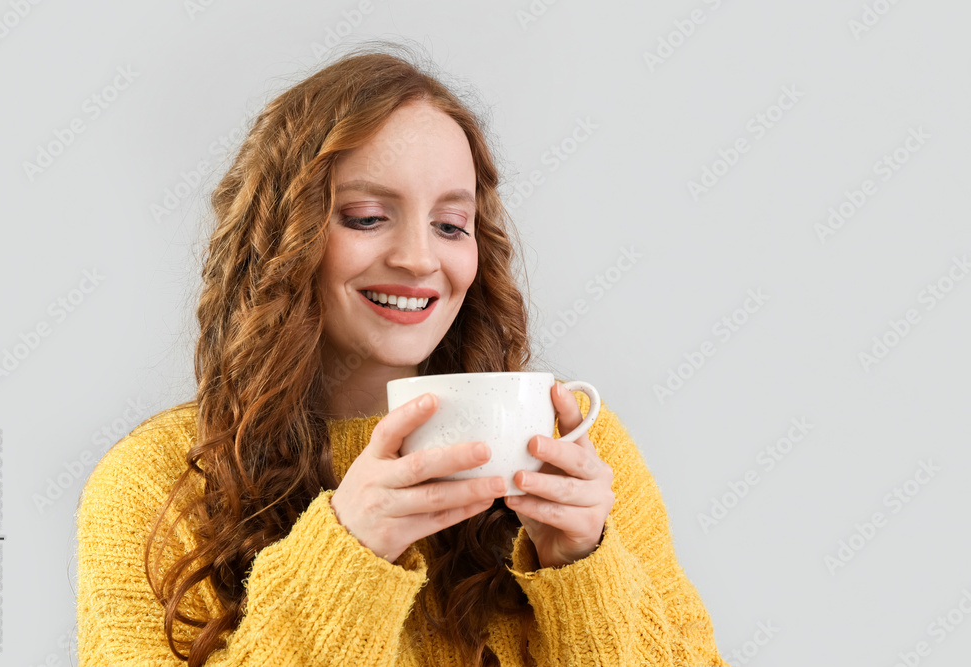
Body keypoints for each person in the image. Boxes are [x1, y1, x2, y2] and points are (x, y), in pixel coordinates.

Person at [75, 42, 729, 667]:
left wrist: (583, 567)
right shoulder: (154, 483)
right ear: (281, 237)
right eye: (365, 216)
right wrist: (348, 559)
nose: (420, 258)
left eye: (450, 225)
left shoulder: (575, 452)